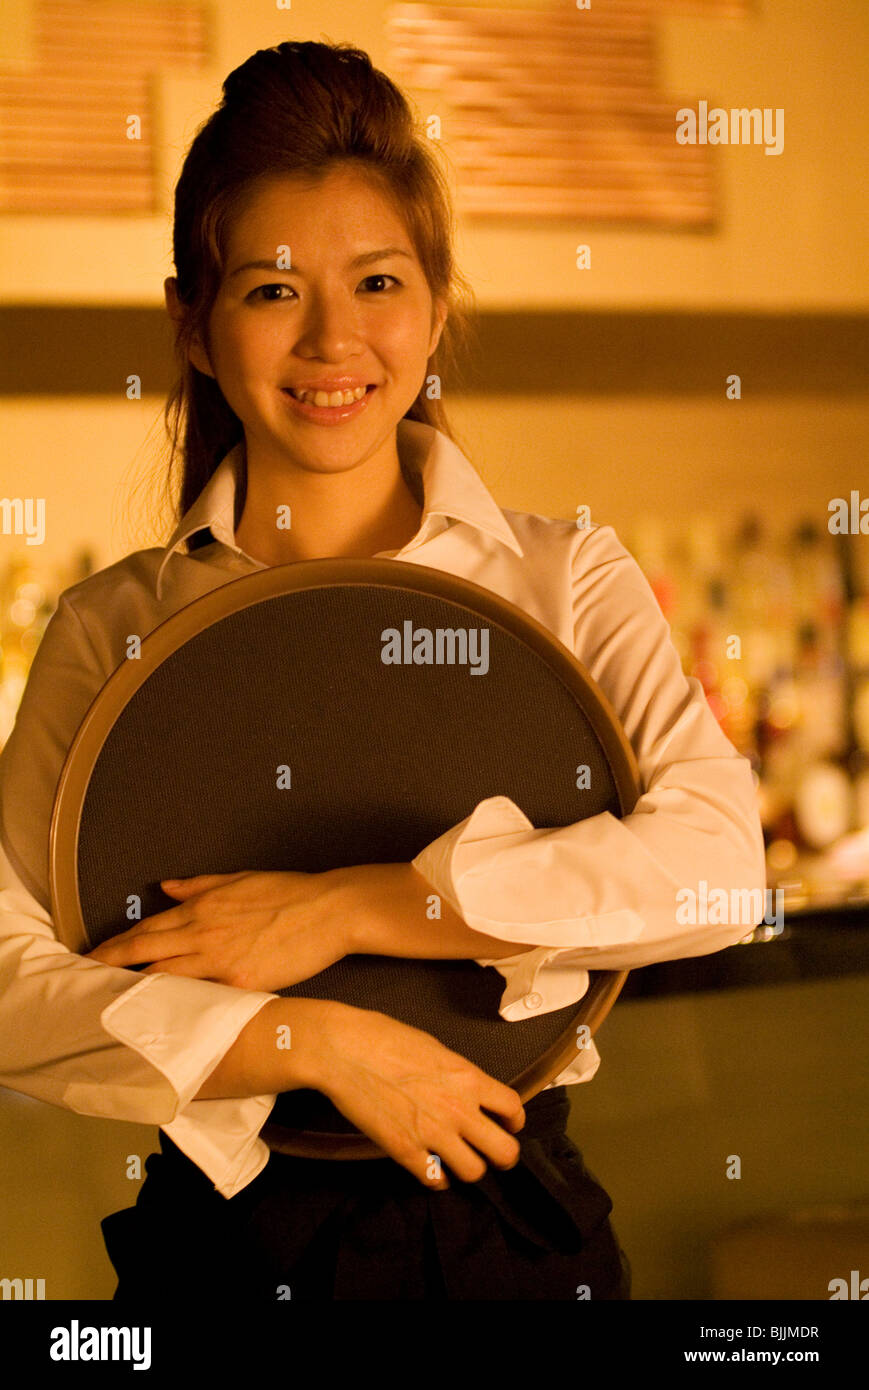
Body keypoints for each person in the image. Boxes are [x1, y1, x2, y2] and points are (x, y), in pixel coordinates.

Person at [0, 40, 767, 1301]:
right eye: (270, 291)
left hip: (510, 1236)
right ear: (191, 322)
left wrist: (351, 907)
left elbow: (720, 869)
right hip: (225, 1250)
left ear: (435, 304)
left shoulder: (563, 576)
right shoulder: (112, 627)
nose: (332, 340)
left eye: (376, 281)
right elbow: (15, 970)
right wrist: (313, 1040)